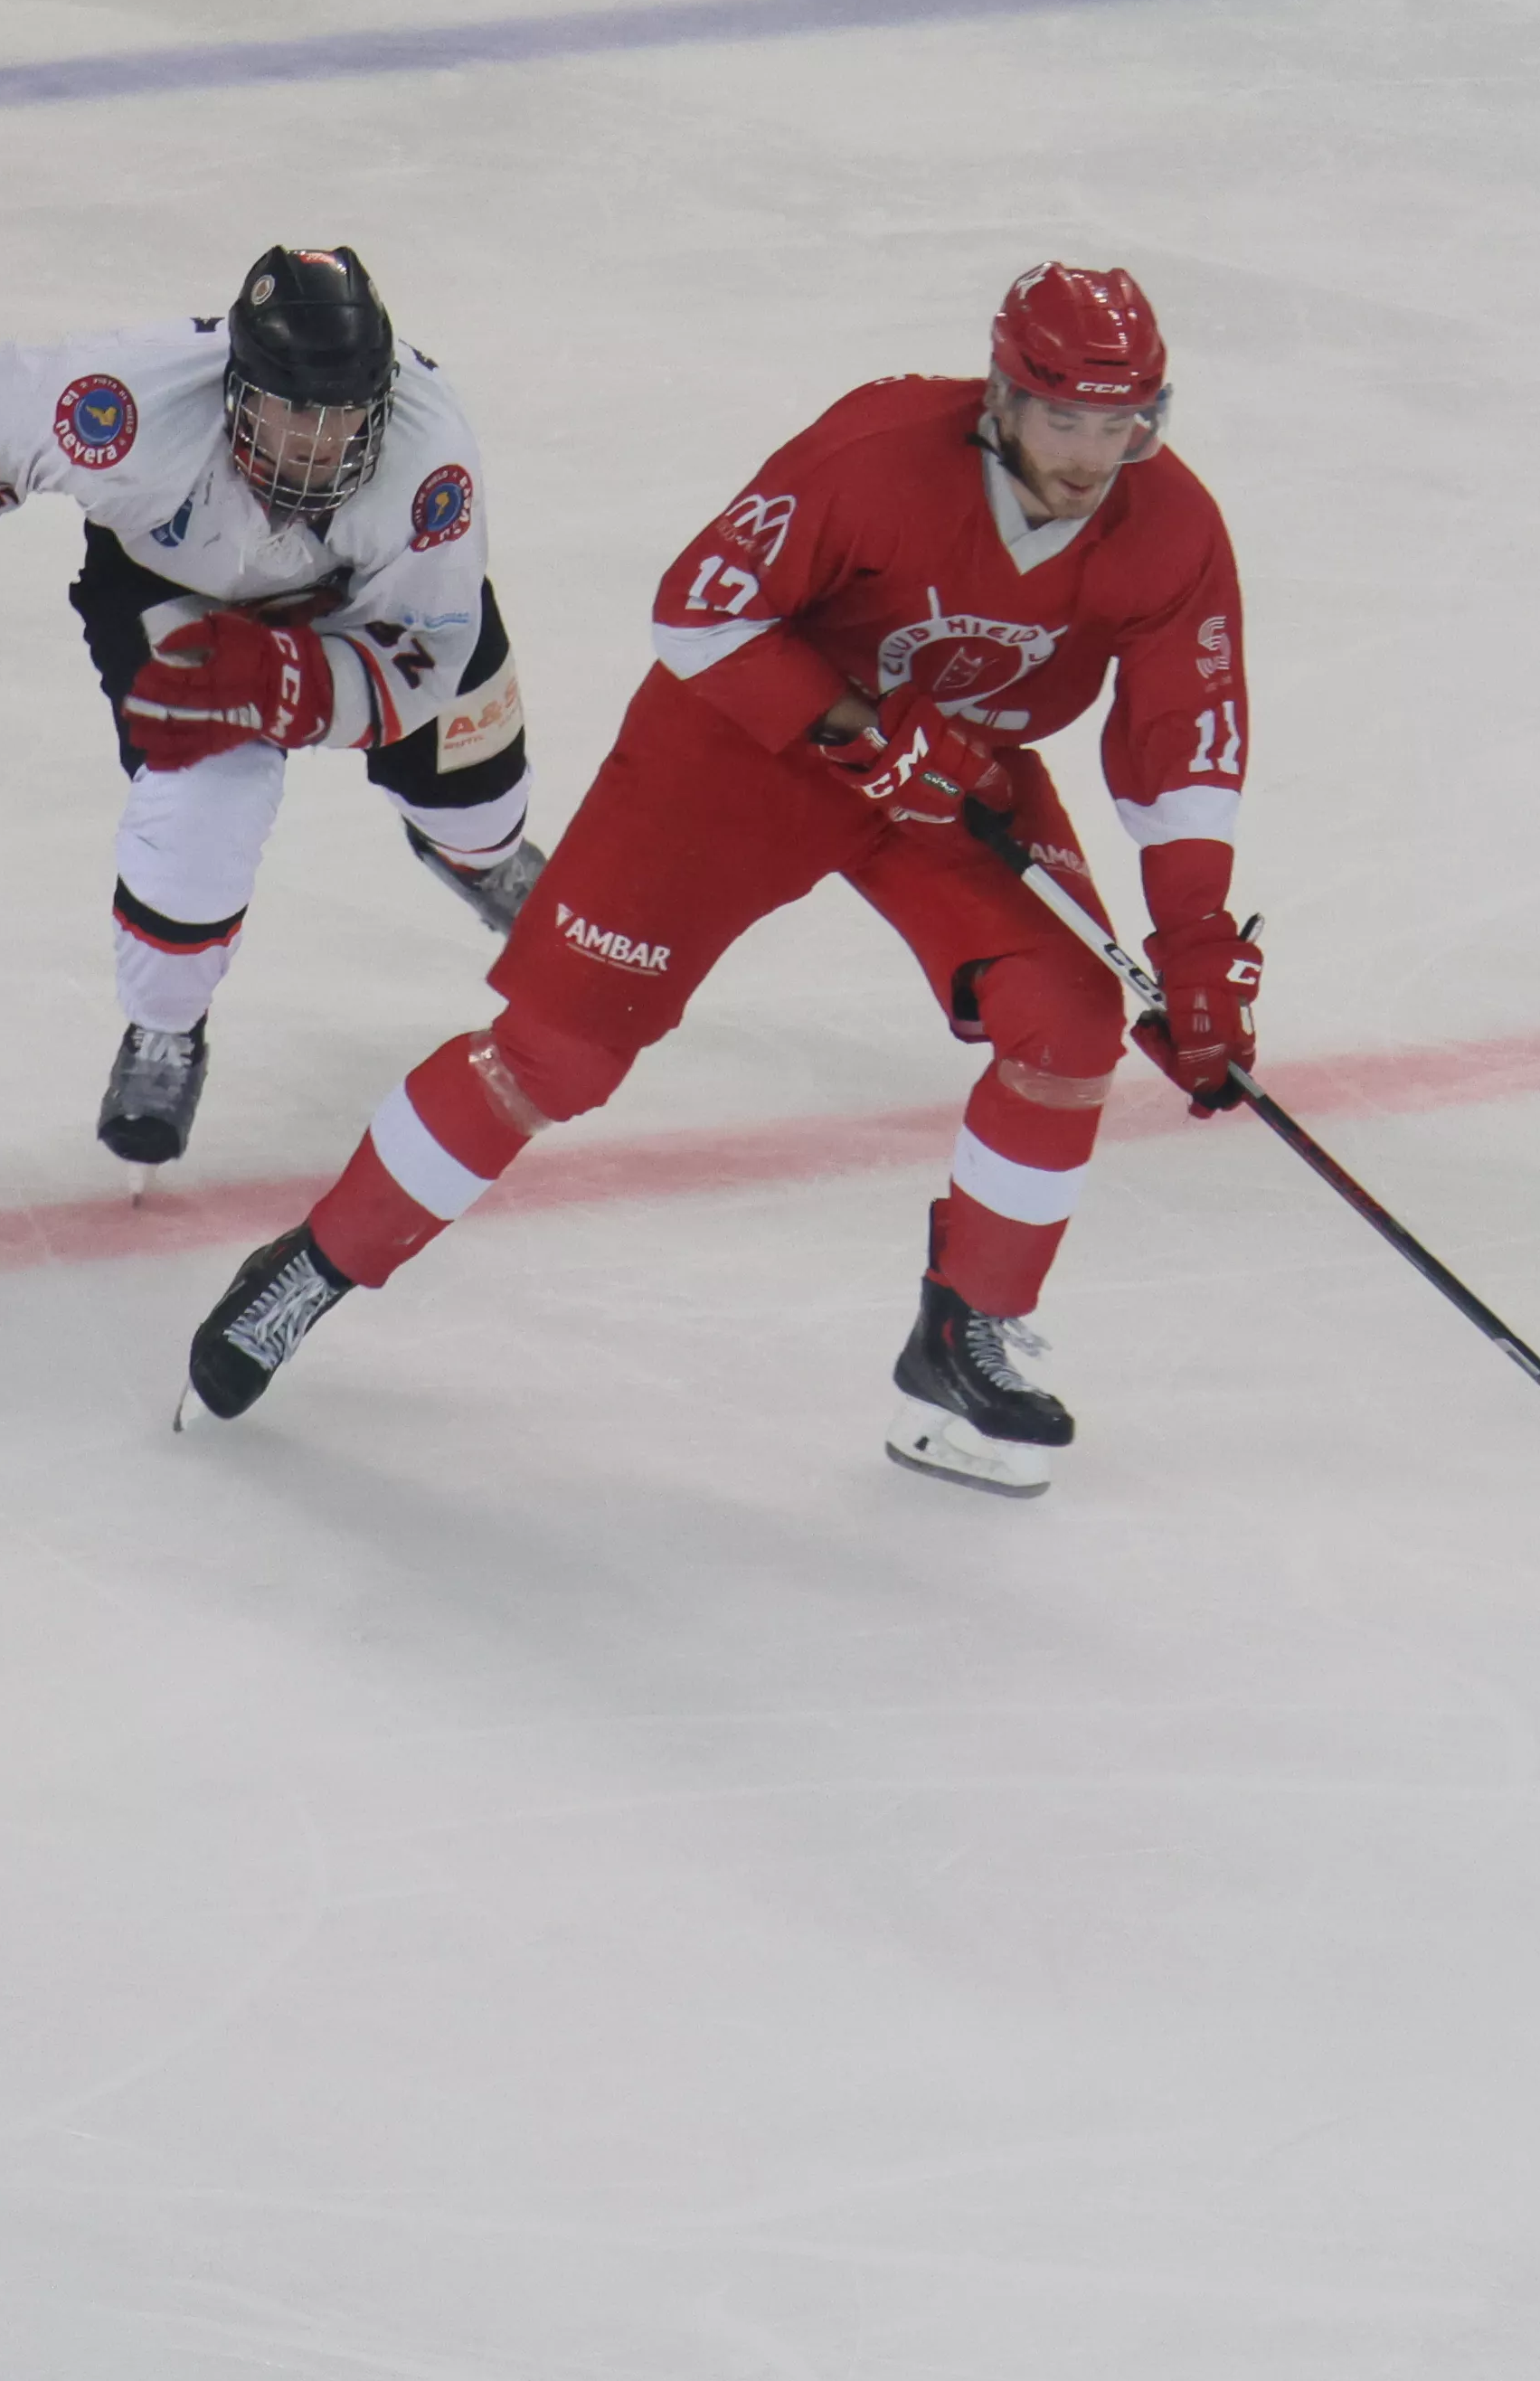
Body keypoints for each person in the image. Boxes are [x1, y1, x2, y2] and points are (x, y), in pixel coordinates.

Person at [180, 262, 1261, 1493]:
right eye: (1067, 418)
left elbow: (1185, 741)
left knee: (1069, 1021)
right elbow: (700, 613)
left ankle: (964, 1341)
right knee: (557, 1059)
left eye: (1125, 424)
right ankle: (316, 1265)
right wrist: (861, 730)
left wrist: (1194, 944)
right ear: (1002, 400)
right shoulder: (878, 449)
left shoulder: (1171, 529)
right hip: (740, 756)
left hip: (951, 776)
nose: (1093, 453)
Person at [0, 248, 542, 1168]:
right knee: (202, 810)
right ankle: (164, 1030)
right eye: (289, 412)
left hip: (361, 612)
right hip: (173, 593)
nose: (313, 444)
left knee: (481, 805)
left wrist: (284, 680)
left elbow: (427, 651)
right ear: (237, 389)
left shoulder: (432, 468)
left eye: (340, 419)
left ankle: (481, 857)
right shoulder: (124, 404)